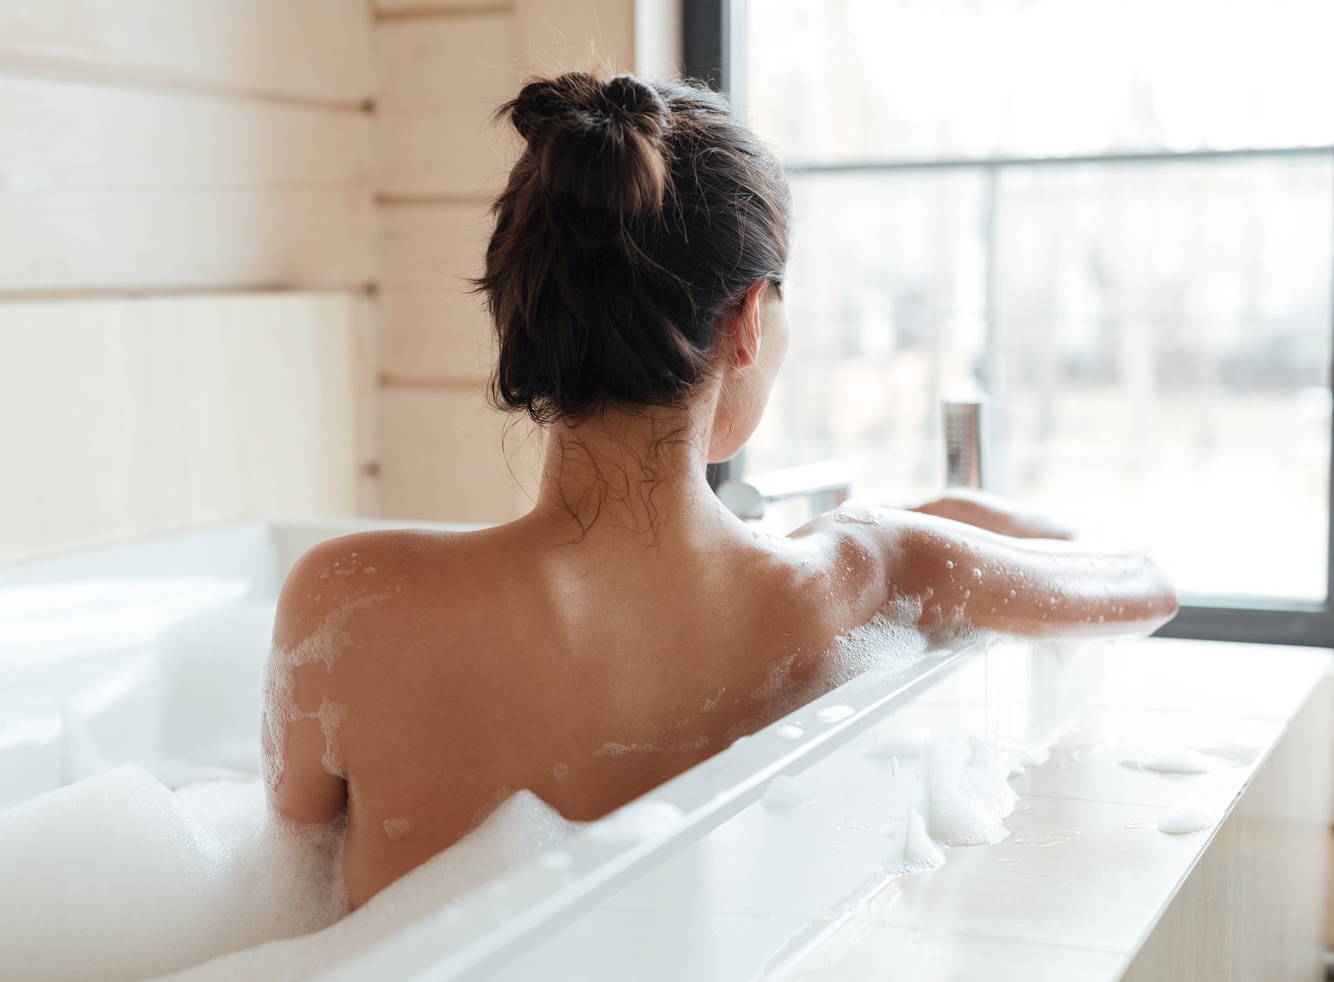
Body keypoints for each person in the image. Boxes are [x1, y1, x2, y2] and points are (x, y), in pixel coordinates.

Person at [262, 72, 1177, 910]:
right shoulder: (860, 576)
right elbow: (1138, 583)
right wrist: (917, 527)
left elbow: (283, 895)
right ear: (747, 320)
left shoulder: (348, 601)